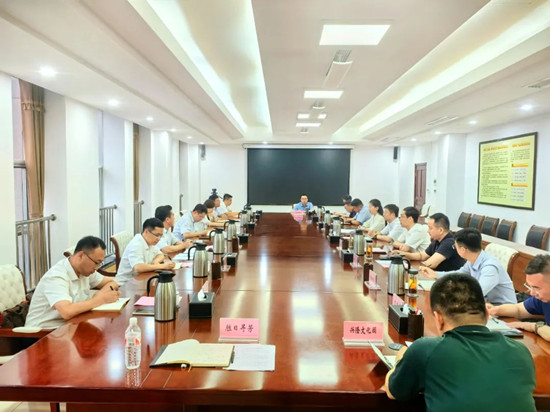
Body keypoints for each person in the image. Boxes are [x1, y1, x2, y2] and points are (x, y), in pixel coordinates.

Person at [385, 273, 536, 411]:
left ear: (438, 318)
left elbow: (393, 392)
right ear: (487, 314)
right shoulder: (521, 351)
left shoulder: (426, 349)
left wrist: (400, 358)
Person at [25, 236, 121, 329]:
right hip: (43, 332)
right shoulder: (57, 276)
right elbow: (66, 311)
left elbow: (113, 282)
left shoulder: (86, 271)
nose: (97, 268)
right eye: (96, 262)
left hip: (69, 325)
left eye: (100, 263)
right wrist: (101, 299)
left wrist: (102, 294)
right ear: (81, 255)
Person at [421, 228, 516, 305]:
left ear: (462, 250)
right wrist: (436, 274)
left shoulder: (490, 267)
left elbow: (477, 293)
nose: (455, 249)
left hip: (503, 313)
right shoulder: (473, 259)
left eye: (455, 247)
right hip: (485, 305)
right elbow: (459, 274)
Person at [487, 254, 550, 341]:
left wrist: (533, 326)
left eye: (536, 288)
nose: (531, 293)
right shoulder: (542, 299)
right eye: (530, 287)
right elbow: (518, 309)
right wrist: (495, 310)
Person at [115, 218, 175, 286]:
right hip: (126, 284)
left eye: (160, 236)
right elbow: (138, 267)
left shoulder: (149, 241)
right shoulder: (136, 244)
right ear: (146, 232)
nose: (159, 239)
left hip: (141, 279)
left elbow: (160, 255)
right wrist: (161, 266)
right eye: (157, 235)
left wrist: (155, 262)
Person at [399, 213, 465, 271]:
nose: (428, 231)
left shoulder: (449, 243)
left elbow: (430, 264)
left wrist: (412, 267)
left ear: (441, 230)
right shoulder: (437, 241)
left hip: (451, 279)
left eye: (430, 228)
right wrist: (402, 254)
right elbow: (421, 256)